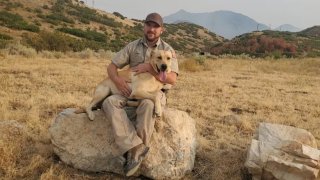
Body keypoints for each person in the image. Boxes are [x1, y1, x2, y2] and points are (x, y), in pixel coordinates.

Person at [102, 12, 179, 176]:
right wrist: (117, 80)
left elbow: (172, 79)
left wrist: (149, 68)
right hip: (129, 90)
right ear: (144, 26)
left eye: (156, 26)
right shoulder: (132, 46)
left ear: (161, 30)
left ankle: (135, 157)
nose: (151, 29)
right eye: (149, 25)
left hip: (154, 92)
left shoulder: (168, 50)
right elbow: (111, 67)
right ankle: (135, 147)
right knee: (108, 102)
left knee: (148, 104)